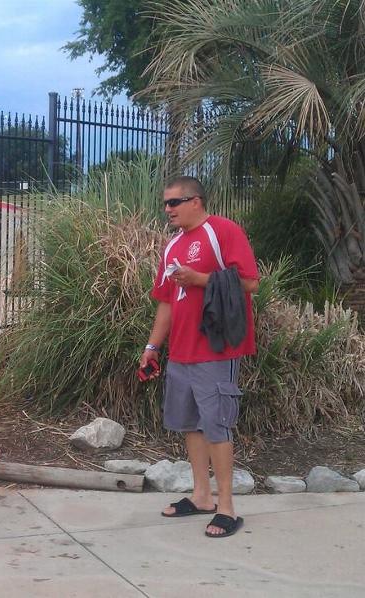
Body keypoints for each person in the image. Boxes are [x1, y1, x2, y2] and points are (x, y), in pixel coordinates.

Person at [141, 176, 259, 538]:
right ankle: (202, 496)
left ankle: (226, 508)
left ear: (197, 201)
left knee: (216, 424)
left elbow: (251, 283)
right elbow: (165, 301)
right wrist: (151, 348)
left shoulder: (222, 231)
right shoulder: (172, 245)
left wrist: (200, 278)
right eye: (165, 204)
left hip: (217, 347)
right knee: (190, 423)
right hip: (181, 351)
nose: (168, 210)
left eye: (175, 202)